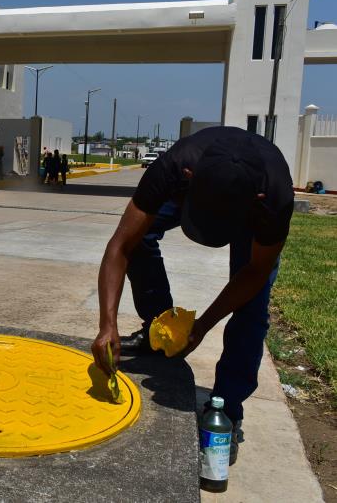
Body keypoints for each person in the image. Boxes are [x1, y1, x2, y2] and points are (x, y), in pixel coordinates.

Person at [91, 126, 294, 464]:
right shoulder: (172, 167)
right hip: (200, 188)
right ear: (188, 178)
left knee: (252, 308)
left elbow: (254, 272)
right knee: (140, 235)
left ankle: (227, 410)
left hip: (249, 209)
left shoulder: (273, 199)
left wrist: (202, 326)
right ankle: (159, 330)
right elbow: (121, 244)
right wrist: (106, 323)